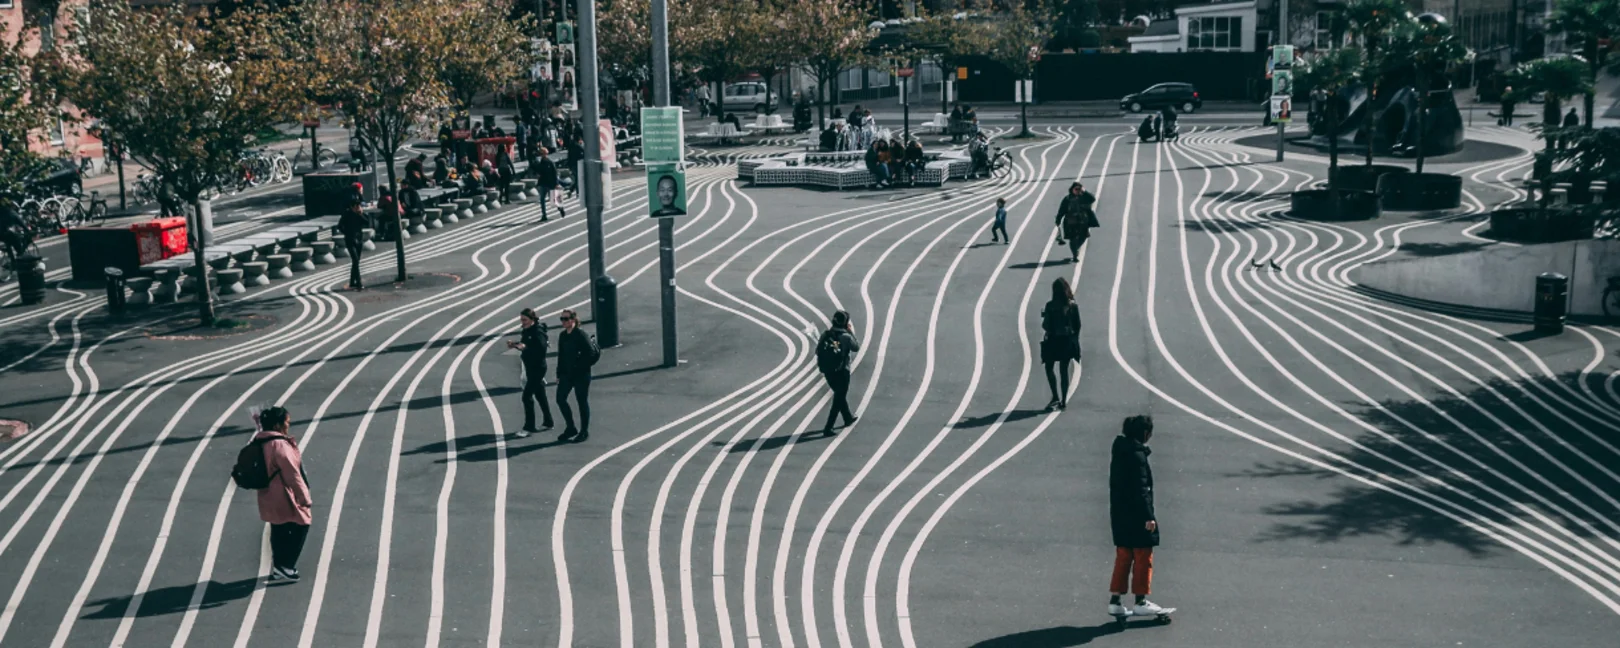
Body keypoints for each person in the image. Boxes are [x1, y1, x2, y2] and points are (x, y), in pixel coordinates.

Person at [1108, 415, 1170, 618]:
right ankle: (1140, 600)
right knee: (1143, 556)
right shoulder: (1137, 456)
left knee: (1124, 555)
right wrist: (1149, 516)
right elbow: (1142, 489)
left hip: (1119, 513)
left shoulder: (1120, 451)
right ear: (1144, 433)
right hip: (1136, 514)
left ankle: (1115, 600)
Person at [252, 406, 314, 582]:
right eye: (287, 422)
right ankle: (286, 566)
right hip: (283, 493)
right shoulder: (279, 445)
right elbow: (292, 474)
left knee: (278, 528)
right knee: (302, 523)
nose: (289, 425)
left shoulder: (260, 440)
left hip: (267, 494)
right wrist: (304, 498)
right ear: (278, 425)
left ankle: (280, 566)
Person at [506, 308, 555, 437]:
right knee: (540, 395)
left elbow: (541, 349)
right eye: (521, 320)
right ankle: (548, 421)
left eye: (525, 320)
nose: (522, 322)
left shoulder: (538, 332)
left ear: (532, 319)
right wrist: (516, 345)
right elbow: (526, 344)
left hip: (537, 368)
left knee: (526, 396)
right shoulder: (527, 330)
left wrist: (524, 347)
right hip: (530, 367)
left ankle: (529, 426)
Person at [1039, 277, 1081, 411]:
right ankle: (1063, 399)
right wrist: (1074, 339)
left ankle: (1055, 396)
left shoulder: (1050, 306)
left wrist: (1045, 317)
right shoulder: (1073, 306)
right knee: (1064, 371)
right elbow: (1078, 325)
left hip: (1053, 341)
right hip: (1067, 342)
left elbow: (1046, 326)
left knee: (1049, 368)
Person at [554, 308, 596, 442]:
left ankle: (584, 431)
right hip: (566, 374)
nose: (563, 322)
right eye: (562, 319)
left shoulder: (581, 334)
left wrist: (579, 365)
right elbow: (561, 356)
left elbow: (590, 353)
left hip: (581, 375)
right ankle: (571, 427)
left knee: (581, 401)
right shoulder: (563, 335)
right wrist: (559, 373)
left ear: (573, 319)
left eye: (566, 319)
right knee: (560, 398)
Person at [817, 309, 860, 435]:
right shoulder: (846, 337)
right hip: (842, 371)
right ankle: (828, 427)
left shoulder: (825, 335)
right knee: (839, 397)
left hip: (828, 370)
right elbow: (856, 347)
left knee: (839, 395)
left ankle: (847, 417)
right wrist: (850, 331)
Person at [1055, 181, 1099, 263]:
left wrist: (1084, 191)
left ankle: (1076, 248)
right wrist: (1058, 219)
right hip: (1070, 221)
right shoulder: (1067, 199)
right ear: (1072, 189)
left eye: (1079, 189)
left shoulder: (1084, 197)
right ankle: (1075, 255)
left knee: (1084, 236)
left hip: (1082, 221)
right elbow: (1062, 210)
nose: (1077, 191)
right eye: (1076, 189)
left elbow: (1092, 199)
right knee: (1072, 239)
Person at [338, 195, 369, 290]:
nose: (357, 207)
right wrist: (346, 232)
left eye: (358, 205)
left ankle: (352, 281)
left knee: (356, 262)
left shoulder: (360, 214)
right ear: (352, 207)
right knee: (355, 260)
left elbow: (367, 223)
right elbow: (339, 226)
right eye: (355, 206)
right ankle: (358, 283)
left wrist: (361, 214)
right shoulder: (347, 214)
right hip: (350, 240)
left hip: (359, 239)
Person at [537, 148, 562, 220]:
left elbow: (554, 173)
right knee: (542, 199)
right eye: (541, 154)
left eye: (543, 153)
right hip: (543, 183)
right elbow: (539, 172)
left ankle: (560, 208)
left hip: (550, 183)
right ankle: (544, 215)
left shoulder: (550, 162)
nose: (542, 155)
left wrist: (556, 183)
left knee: (553, 199)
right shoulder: (541, 162)